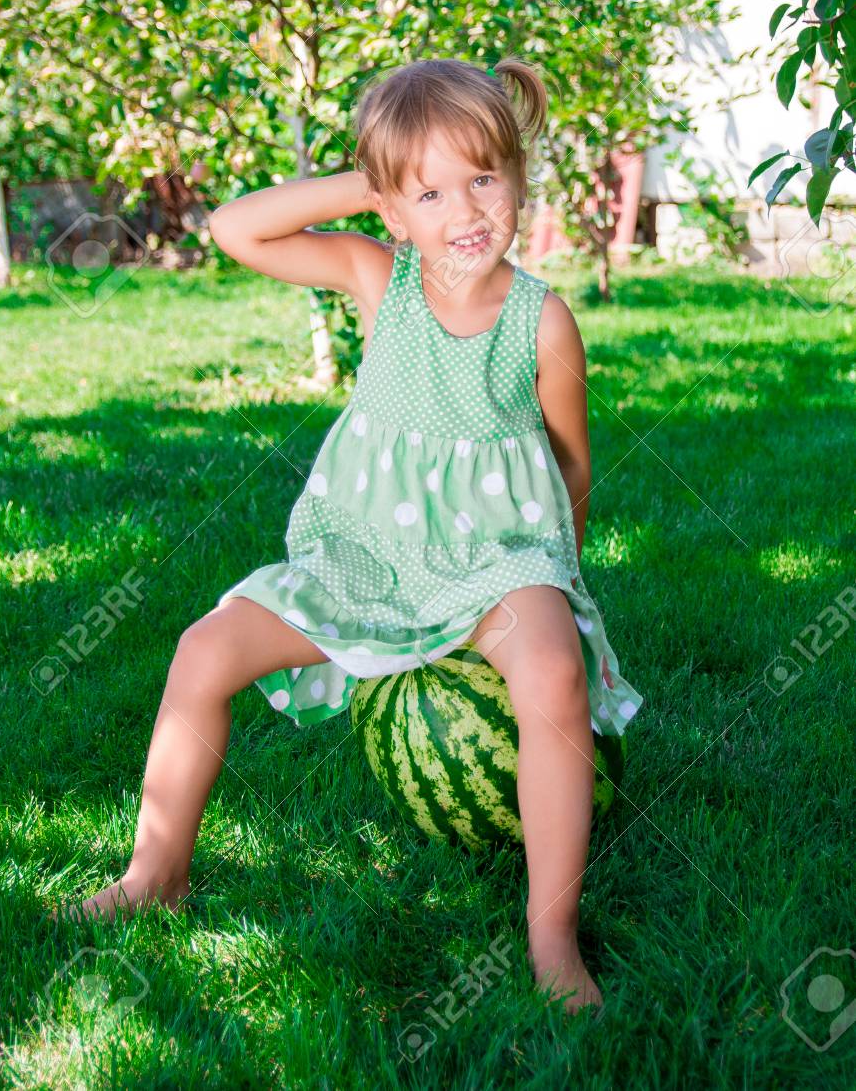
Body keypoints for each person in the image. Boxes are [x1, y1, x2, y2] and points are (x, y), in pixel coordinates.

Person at [52, 56, 643, 1016]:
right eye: (431, 191)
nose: (466, 210)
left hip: (496, 560)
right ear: (392, 210)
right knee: (203, 649)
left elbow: (572, 465)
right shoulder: (379, 278)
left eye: (485, 177)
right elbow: (235, 228)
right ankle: (154, 871)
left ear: (520, 178)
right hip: (366, 558)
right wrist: (370, 186)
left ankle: (549, 937)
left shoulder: (543, 323)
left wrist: (558, 587)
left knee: (550, 670)